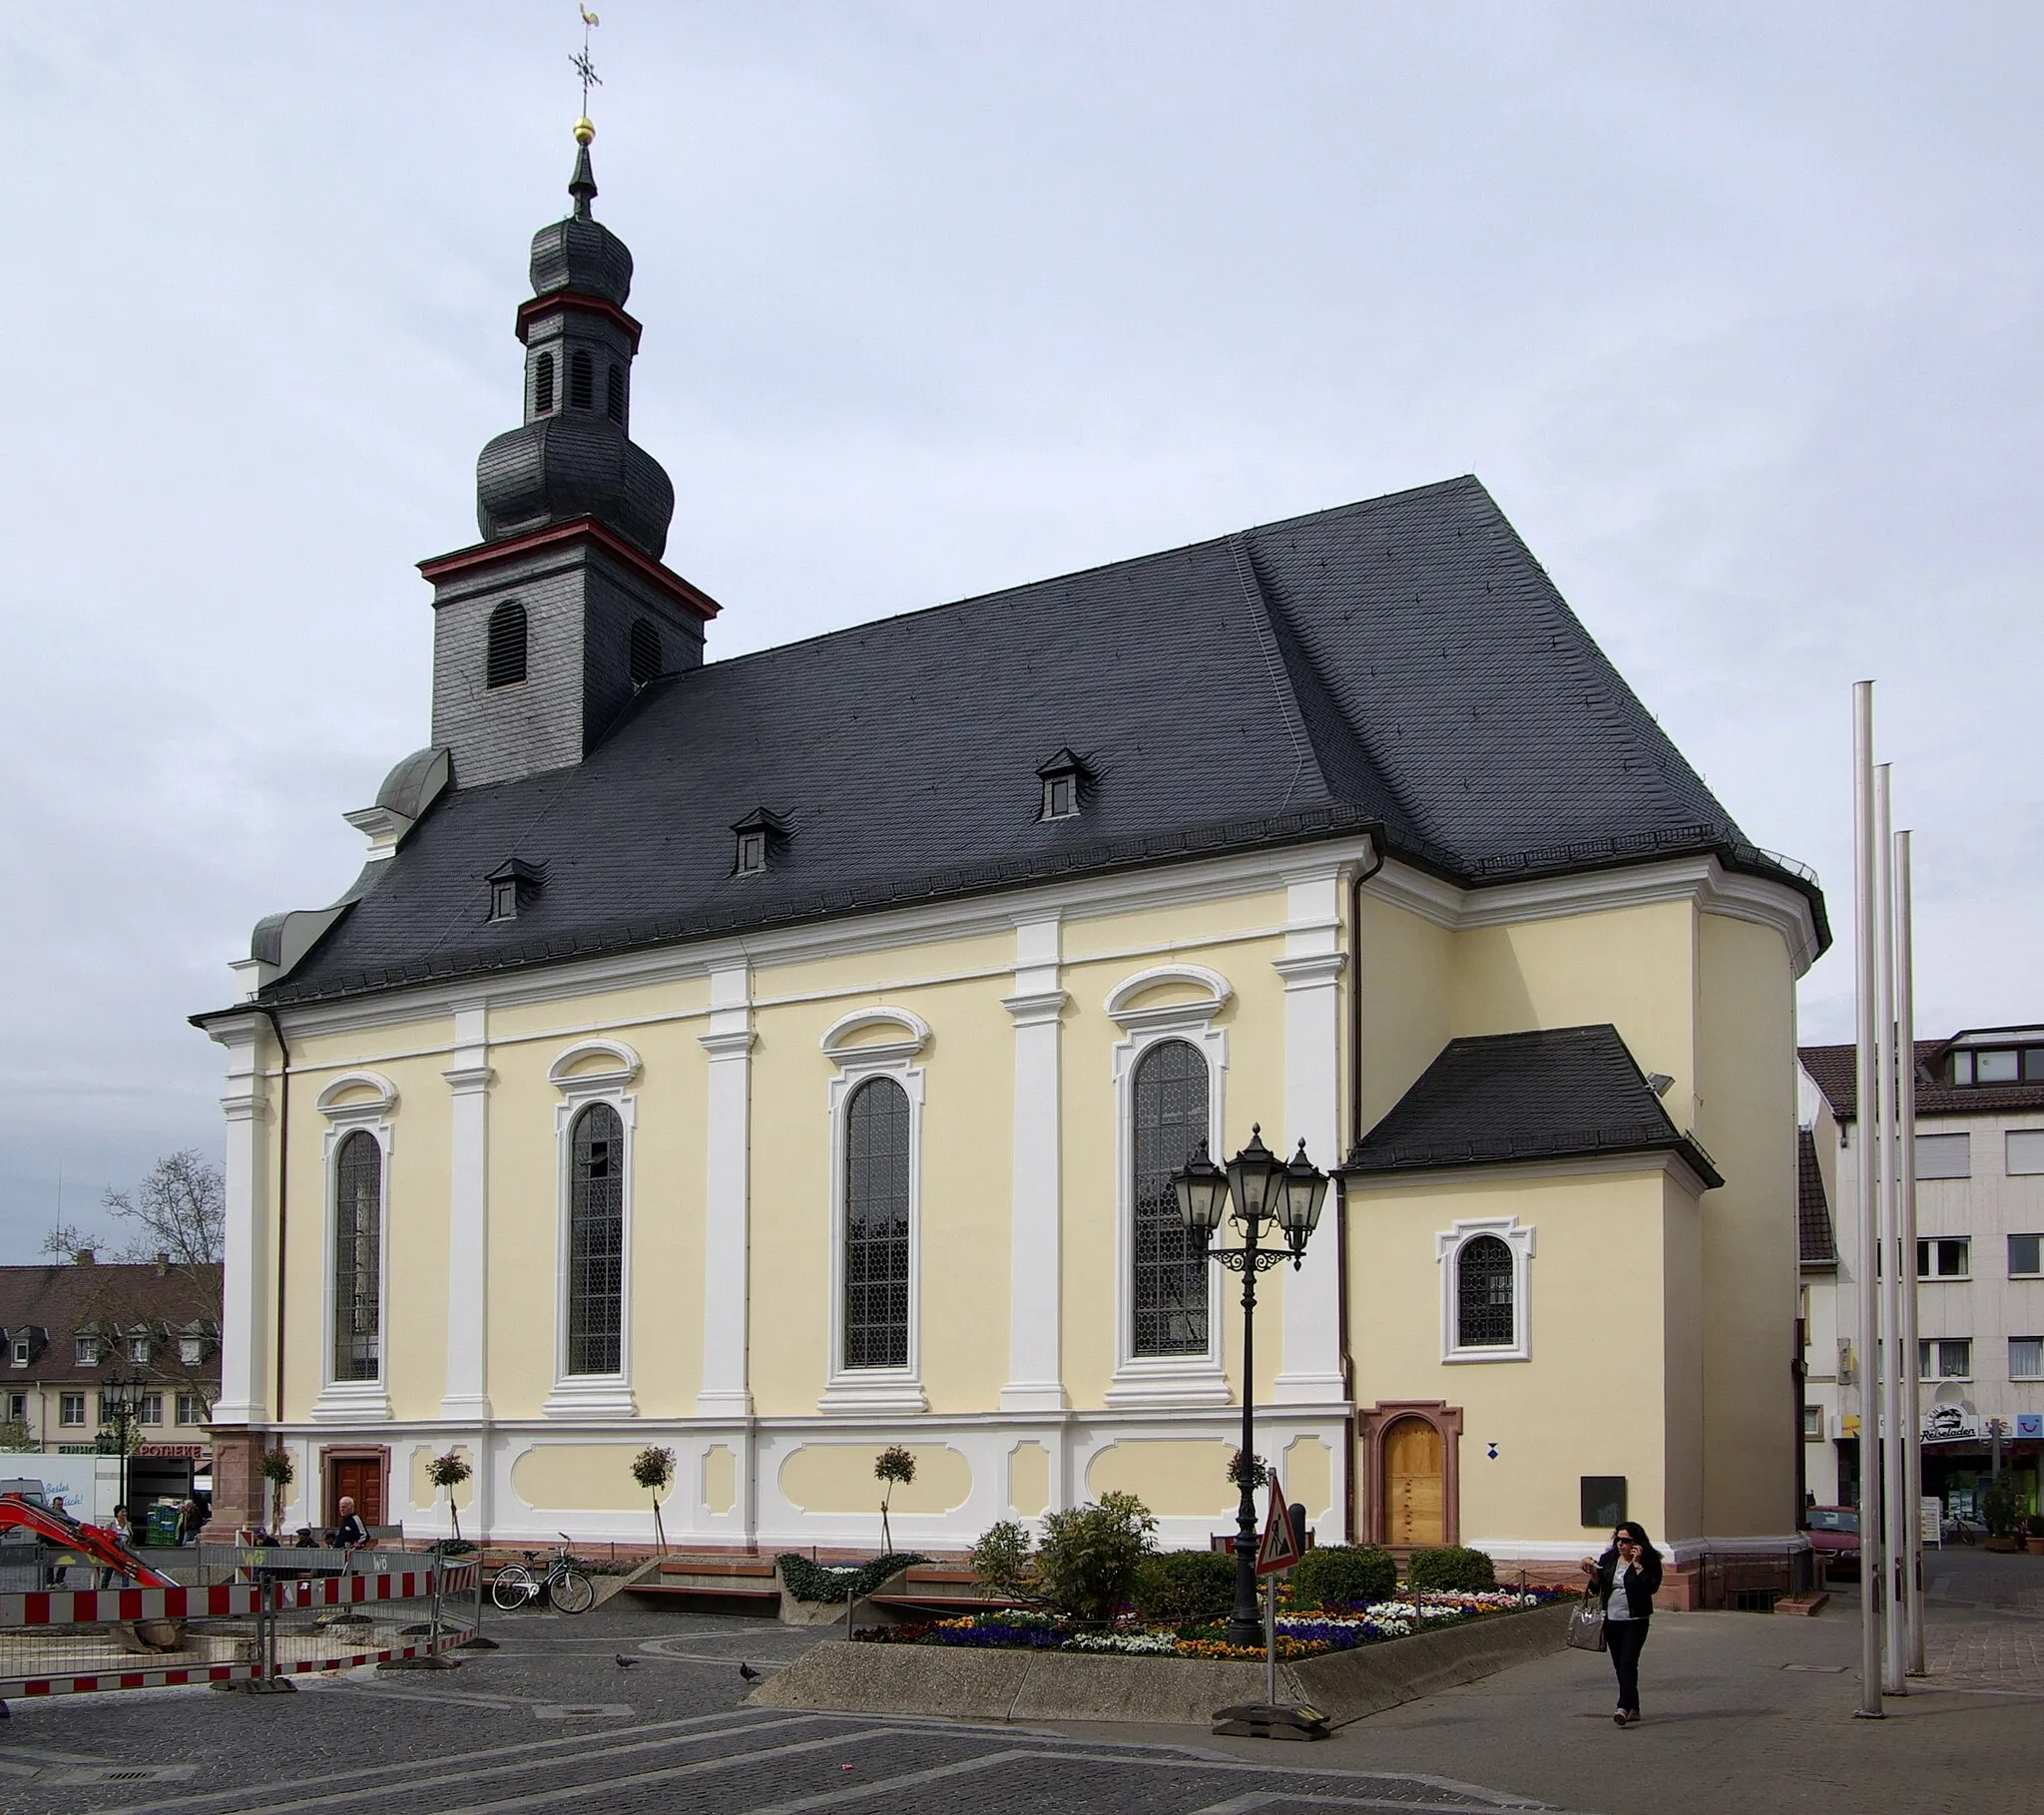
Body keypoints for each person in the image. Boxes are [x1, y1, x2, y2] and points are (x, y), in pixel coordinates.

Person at [1580, 1520, 1664, 1725]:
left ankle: (1623, 1706)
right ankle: (1633, 1707)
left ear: (1636, 1543)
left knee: (1628, 1661)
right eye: (1618, 1539)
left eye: (1625, 1541)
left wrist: (1637, 1566)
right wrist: (1593, 1574)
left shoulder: (1650, 1560)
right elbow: (1597, 1589)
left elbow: (1651, 1588)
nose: (1620, 1544)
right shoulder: (1609, 1559)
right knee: (1620, 1665)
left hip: (1635, 1620)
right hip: (1612, 1619)